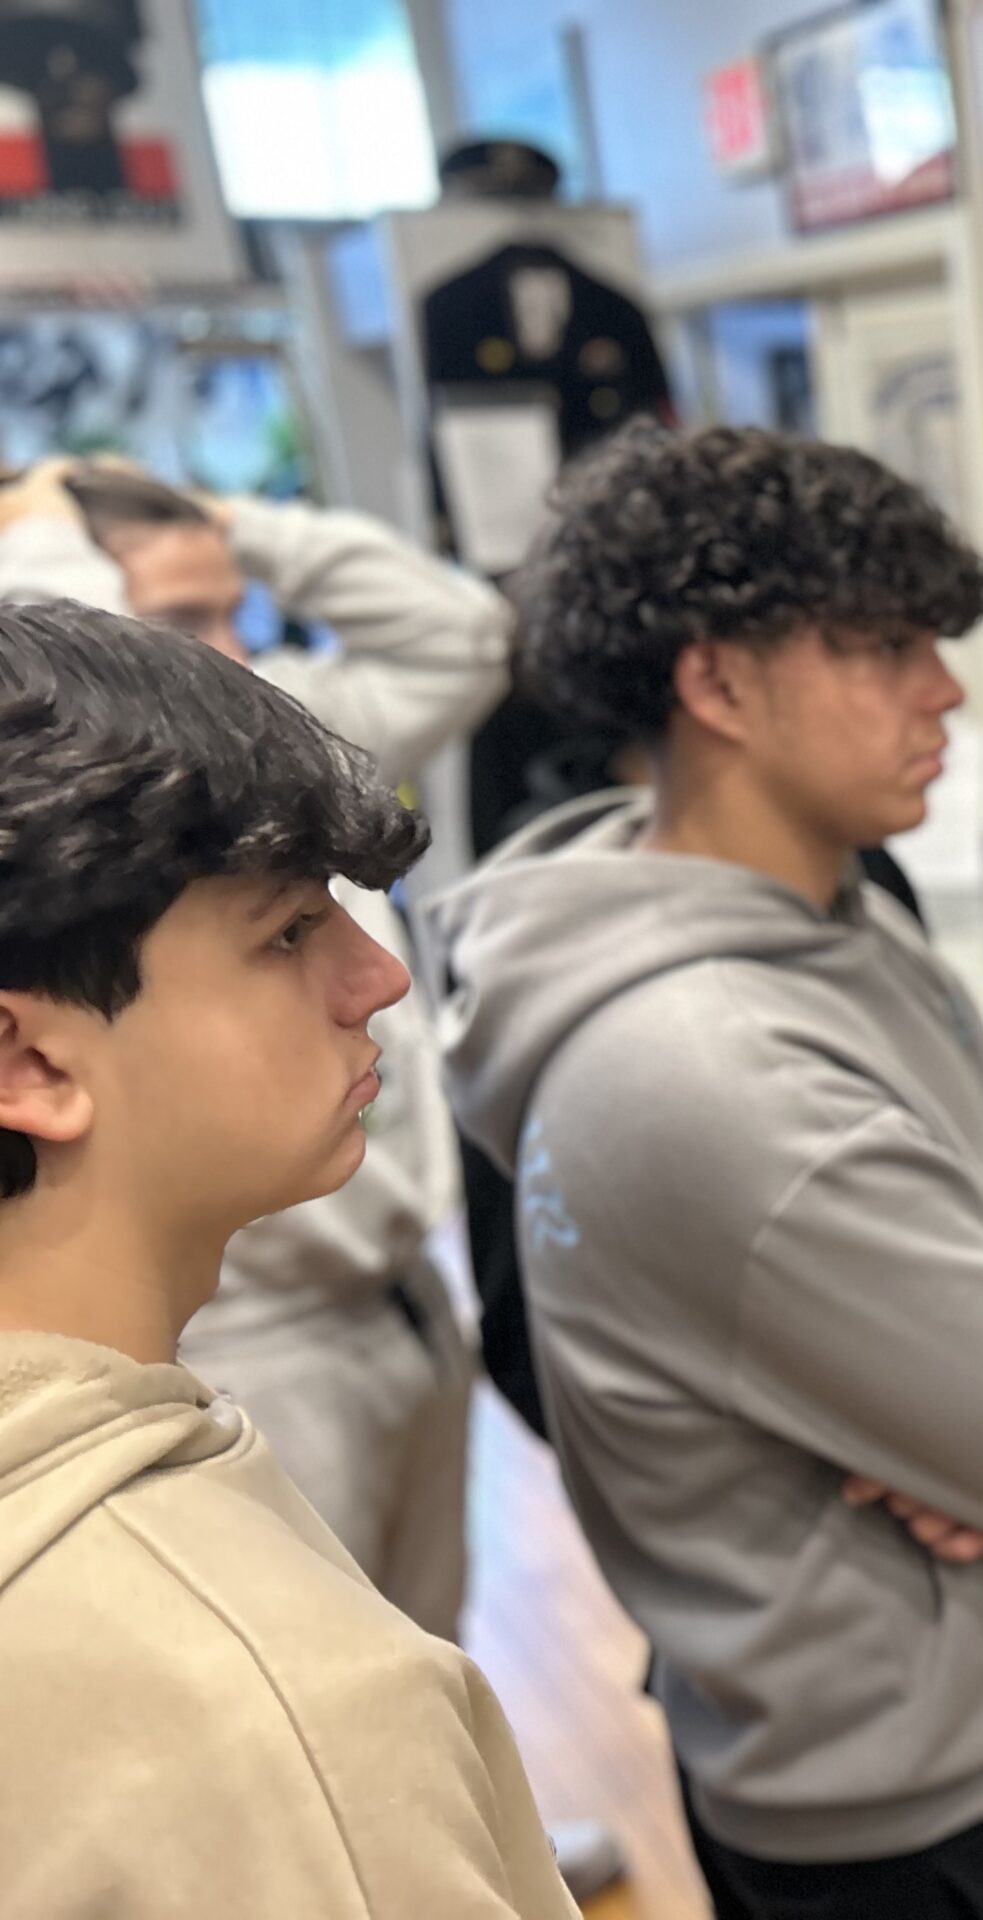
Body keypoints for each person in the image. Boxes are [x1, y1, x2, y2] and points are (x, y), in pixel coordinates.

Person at [424, 425, 983, 1920]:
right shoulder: (713, 1073)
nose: (946, 689)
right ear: (716, 684)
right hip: (904, 1798)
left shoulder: (835, 908)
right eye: (885, 647)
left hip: (965, 1697)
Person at [0, 458, 628, 1901]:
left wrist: (232, 538)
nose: (381, 975)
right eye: (287, 933)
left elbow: (461, 638)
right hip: (274, 1355)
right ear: (27, 1061)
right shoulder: (280, 1717)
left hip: (374, 1305)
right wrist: (47, 539)